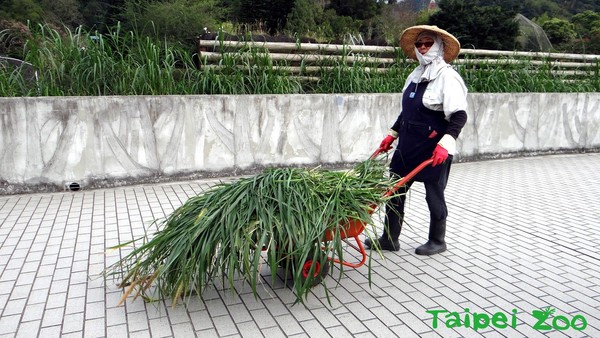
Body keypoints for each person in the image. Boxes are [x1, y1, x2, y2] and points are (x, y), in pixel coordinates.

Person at [364, 25, 468, 255]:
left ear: (438, 46)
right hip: (407, 147)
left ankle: (437, 240)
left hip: (434, 149)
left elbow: (459, 115)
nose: (422, 47)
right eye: (419, 44)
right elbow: (408, 112)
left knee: (434, 194)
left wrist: (446, 144)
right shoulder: (415, 75)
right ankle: (389, 238)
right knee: (394, 192)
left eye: (427, 43)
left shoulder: (448, 78)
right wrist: (392, 134)